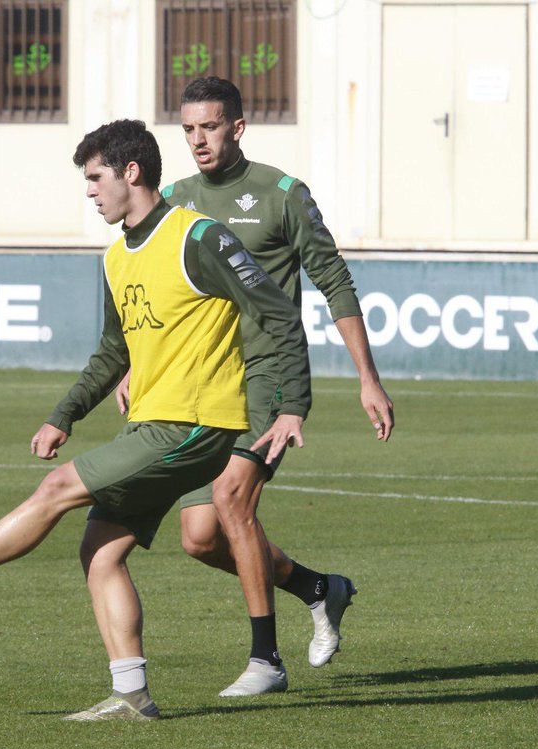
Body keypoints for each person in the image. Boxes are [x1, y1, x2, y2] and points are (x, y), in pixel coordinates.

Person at [0, 119, 313, 721]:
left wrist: (292, 405)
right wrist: (64, 416)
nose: (89, 192)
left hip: (194, 425)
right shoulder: (115, 257)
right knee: (100, 552)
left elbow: (277, 311)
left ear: (131, 172)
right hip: (152, 426)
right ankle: (132, 695)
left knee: (57, 490)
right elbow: (113, 352)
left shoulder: (199, 239)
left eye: (95, 177)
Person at [113, 77, 393, 695]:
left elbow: (334, 282)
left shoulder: (283, 195)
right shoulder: (175, 200)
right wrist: (135, 365)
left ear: (237, 127)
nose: (197, 140)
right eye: (187, 130)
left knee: (234, 500)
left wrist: (367, 380)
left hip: (265, 375)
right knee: (199, 537)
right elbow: (154, 291)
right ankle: (318, 589)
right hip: (200, 382)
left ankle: (265, 660)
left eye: (208, 127)